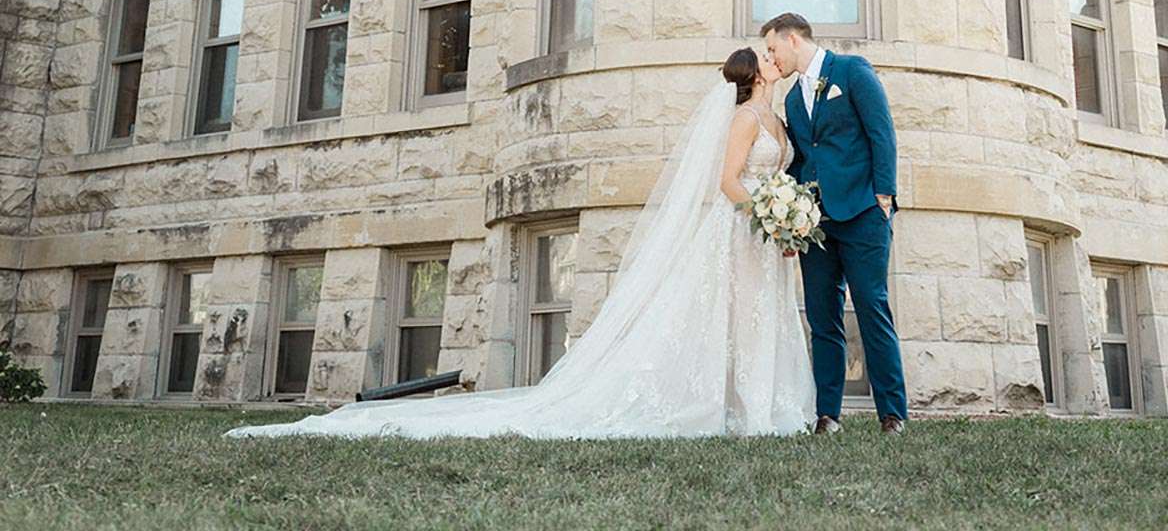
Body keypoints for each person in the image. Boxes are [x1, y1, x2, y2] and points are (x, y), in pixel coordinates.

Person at [226, 46, 814, 441]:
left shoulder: (778, 119)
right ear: (757, 74)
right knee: (728, 317)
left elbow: (773, 172)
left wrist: (783, 220)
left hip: (761, 236)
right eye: (766, 55)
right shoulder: (742, 120)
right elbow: (728, 181)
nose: (773, 57)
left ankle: (755, 407)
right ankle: (725, 408)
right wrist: (767, 210)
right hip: (737, 229)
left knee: (758, 319)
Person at [763, 10, 908, 435]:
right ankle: (827, 415)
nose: (771, 58)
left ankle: (892, 414)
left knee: (871, 308)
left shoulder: (851, 71)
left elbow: (882, 132)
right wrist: (790, 219)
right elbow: (802, 158)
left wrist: (884, 194)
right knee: (822, 318)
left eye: (773, 49)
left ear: (793, 40)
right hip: (815, 224)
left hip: (863, 211)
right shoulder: (792, 99)